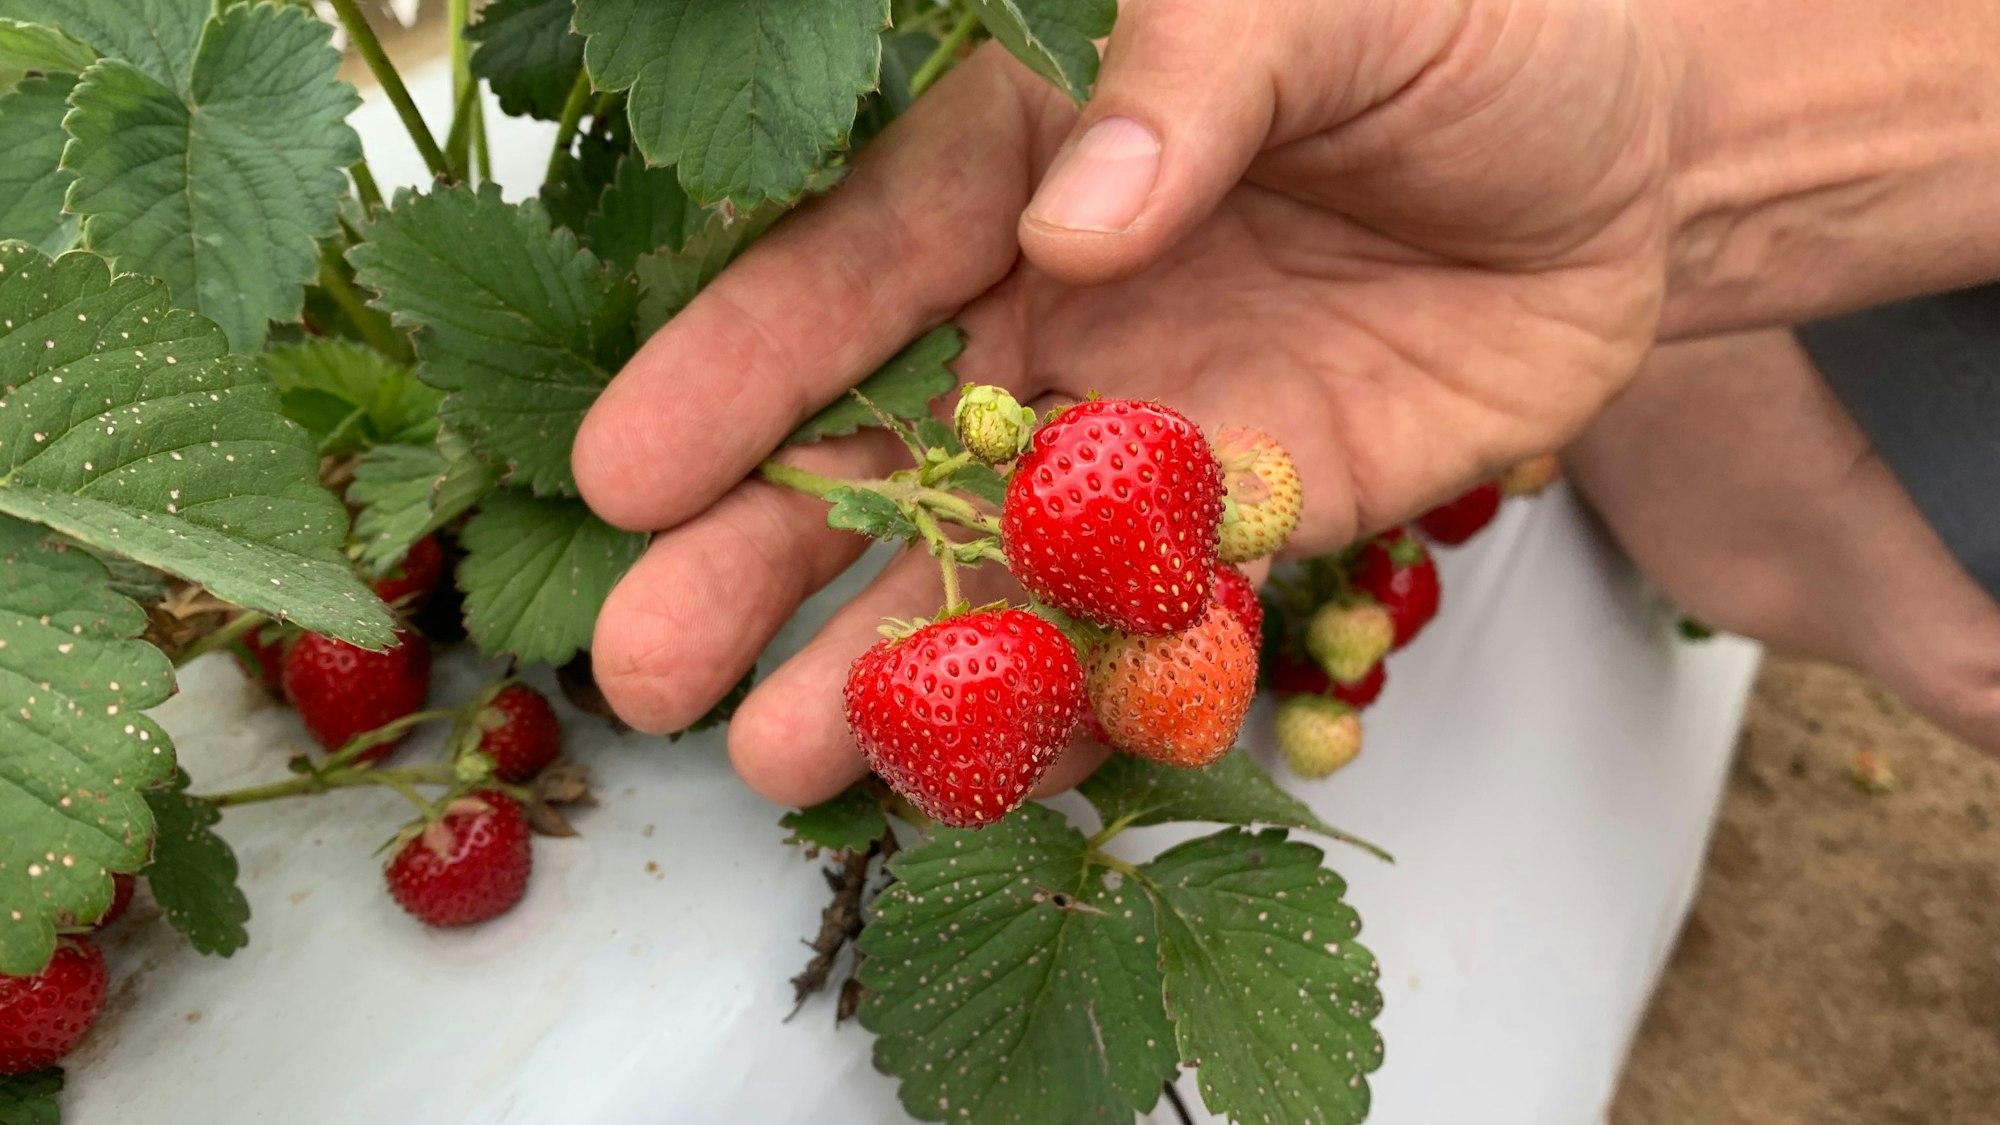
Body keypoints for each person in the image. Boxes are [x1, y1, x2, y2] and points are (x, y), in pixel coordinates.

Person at [569, 0, 2000, 810]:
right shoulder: (1115, 513)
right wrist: (1663, 156)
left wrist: (1672, 169)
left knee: (1949, 623)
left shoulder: (1100, 517)